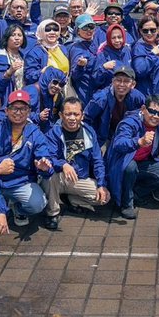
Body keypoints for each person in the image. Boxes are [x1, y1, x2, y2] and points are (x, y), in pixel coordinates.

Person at [41, 96, 109, 225]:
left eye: (76, 114)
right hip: (58, 177)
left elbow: (97, 160)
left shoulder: (89, 132)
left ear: (82, 115)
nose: (72, 118)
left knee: (104, 198)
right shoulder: (53, 133)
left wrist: (101, 184)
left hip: (78, 178)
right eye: (68, 114)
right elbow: (49, 158)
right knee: (49, 175)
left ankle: (70, 199)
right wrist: (63, 164)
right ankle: (52, 213)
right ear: (61, 115)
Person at [0, 90, 50, 227]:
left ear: (29, 111)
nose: (18, 112)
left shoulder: (35, 134)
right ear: (6, 110)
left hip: (21, 182)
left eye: (23, 109)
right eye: (14, 108)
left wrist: (43, 167)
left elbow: (43, 156)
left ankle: (18, 209)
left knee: (38, 204)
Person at [108, 96, 159, 220]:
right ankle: (126, 203)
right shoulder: (130, 122)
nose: (155, 116)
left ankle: (135, 193)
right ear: (143, 109)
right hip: (122, 164)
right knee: (130, 167)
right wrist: (138, 142)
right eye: (152, 111)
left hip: (143, 163)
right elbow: (119, 143)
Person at [84, 65, 145, 147]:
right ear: (112, 82)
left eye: (126, 81)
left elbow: (146, 113)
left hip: (126, 135)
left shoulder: (137, 97)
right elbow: (86, 118)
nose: (122, 84)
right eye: (118, 80)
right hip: (102, 136)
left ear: (133, 84)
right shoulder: (100, 98)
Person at [0, 24, 31, 116]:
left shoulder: (23, 56)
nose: (17, 38)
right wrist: (10, 71)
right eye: (13, 35)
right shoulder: (0, 56)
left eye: (19, 35)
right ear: (7, 38)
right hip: (7, 98)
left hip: (22, 99)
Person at [132, 15, 159, 98]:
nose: (149, 33)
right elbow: (139, 70)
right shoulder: (139, 47)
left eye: (152, 30)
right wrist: (152, 54)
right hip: (149, 98)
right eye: (145, 31)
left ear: (158, 29)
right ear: (140, 31)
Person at [90, 22, 133, 98]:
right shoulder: (103, 54)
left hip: (126, 94)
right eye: (113, 38)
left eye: (119, 37)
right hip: (109, 95)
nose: (117, 40)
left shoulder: (127, 51)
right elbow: (95, 80)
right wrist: (103, 68)